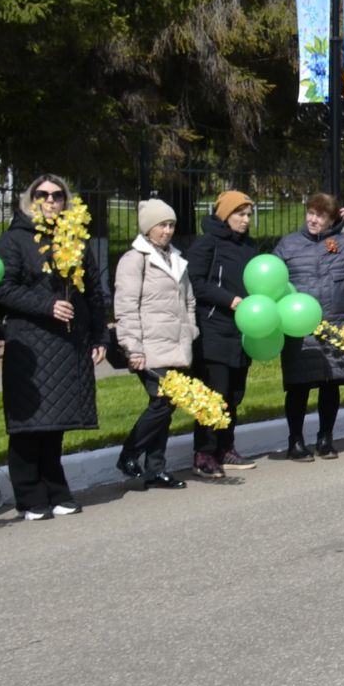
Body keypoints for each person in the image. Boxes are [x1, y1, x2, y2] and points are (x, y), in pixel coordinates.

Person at [0, 174, 108, 520]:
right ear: (30, 200)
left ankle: (56, 489)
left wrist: (100, 336)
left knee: (55, 423)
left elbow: (94, 291)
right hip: (29, 343)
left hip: (68, 343)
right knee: (30, 424)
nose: (50, 200)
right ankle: (30, 496)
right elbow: (1, 289)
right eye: (41, 195)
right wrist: (46, 306)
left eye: (57, 195)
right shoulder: (14, 240)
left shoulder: (75, 239)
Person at [274, 193, 344, 460]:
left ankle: (325, 439)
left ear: (332, 219)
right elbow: (272, 278)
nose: (313, 219)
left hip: (336, 324)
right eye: (310, 213)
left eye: (320, 215)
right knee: (299, 386)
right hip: (299, 328)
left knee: (331, 384)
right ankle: (295, 441)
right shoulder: (289, 244)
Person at [111, 200, 196, 491]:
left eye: (171, 225)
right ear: (148, 228)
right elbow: (125, 306)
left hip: (175, 344)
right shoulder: (135, 260)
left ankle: (155, 469)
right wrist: (132, 348)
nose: (168, 230)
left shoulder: (176, 258)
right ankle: (129, 453)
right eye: (162, 225)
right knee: (163, 401)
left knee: (165, 405)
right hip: (148, 346)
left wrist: (191, 329)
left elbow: (189, 300)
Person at [185, 190, 258, 478]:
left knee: (235, 394)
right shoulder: (207, 243)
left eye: (249, 214)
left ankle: (226, 448)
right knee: (214, 394)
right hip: (214, 329)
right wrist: (229, 300)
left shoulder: (249, 246)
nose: (246, 219)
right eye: (240, 214)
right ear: (225, 214)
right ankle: (204, 452)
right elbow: (195, 282)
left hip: (243, 330)